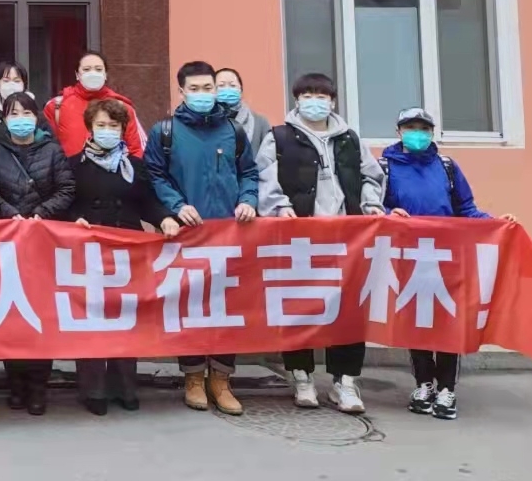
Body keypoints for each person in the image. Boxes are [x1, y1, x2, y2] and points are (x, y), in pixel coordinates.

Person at [257, 72, 384, 415]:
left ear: (333, 101)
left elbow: (371, 175)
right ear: (296, 100)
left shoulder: (349, 139)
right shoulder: (279, 137)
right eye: (307, 95)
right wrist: (279, 207)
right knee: (299, 306)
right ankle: (302, 376)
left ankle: (345, 381)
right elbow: (265, 178)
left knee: (348, 310)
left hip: (347, 240)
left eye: (321, 95)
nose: (315, 101)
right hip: (300, 238)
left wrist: (371, 203)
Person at [382, 107, 513, 422]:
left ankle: (446, 388)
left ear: (432, 133)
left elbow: (466, 208)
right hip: (408, 255)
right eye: (410, 128)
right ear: (399, 132)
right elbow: (375, 206)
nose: (417, 134)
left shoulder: (447, 167)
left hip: (447, 256)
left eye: (423, 128)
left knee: (448, 322)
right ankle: (423, 384)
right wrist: (389, 214)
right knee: (416, 322)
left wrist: (496, 223)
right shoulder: (384, 167)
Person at [144, 61, 259, 416]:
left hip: (229, 233)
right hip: (187, 235)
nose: (202, 94)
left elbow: (249, 172)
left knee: (226, 306)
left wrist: (248, 200)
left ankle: (221, 379)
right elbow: (154, 175)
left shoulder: (234, 131)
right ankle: (193, 377)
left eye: (208, 88)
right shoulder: (165, 132)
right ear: (181, 92)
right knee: (190, 306)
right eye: (194, 89)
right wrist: (177, 206)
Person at [65, 98, 178, 415]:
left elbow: (148, 203)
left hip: (128, 254)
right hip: (88, 252)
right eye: (101, 125)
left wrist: (165, 218)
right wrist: (74, 219)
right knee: (91, 320)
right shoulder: (73, 165)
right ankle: (93, 390)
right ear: (90, 128)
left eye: (113, 125)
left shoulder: (135, 167)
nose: (107, 130)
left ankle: (125, 387)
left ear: (123, 129)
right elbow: (64, 202)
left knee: (125, 319)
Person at [0, 91, 76, 415]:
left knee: (39, 314)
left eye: (26, 113)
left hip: (42, 243)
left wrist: (40, 213)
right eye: (13, 113)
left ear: (36, 118)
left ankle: (39, 385)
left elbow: (66, 188)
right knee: (10, 313)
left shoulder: (52, 150)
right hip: (7, 244)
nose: (20, 119)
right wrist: (11, 215)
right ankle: (15, 383)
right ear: (4, 119)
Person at [45, 50, 144, 158]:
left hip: (114, 168)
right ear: (77, 74)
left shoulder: (122, 107)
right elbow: (46, 148)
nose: (93, 73)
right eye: (86, 69)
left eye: (98, 69)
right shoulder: (56, 106)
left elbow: (136, 149)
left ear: (105, 74)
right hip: (68, 168)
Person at [216, 67, 272, 161]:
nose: (227, 89)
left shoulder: (260, 122)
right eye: (221, 85)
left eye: (232, 85)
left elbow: (269, 158)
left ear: (241, 90)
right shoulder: (205, 121)